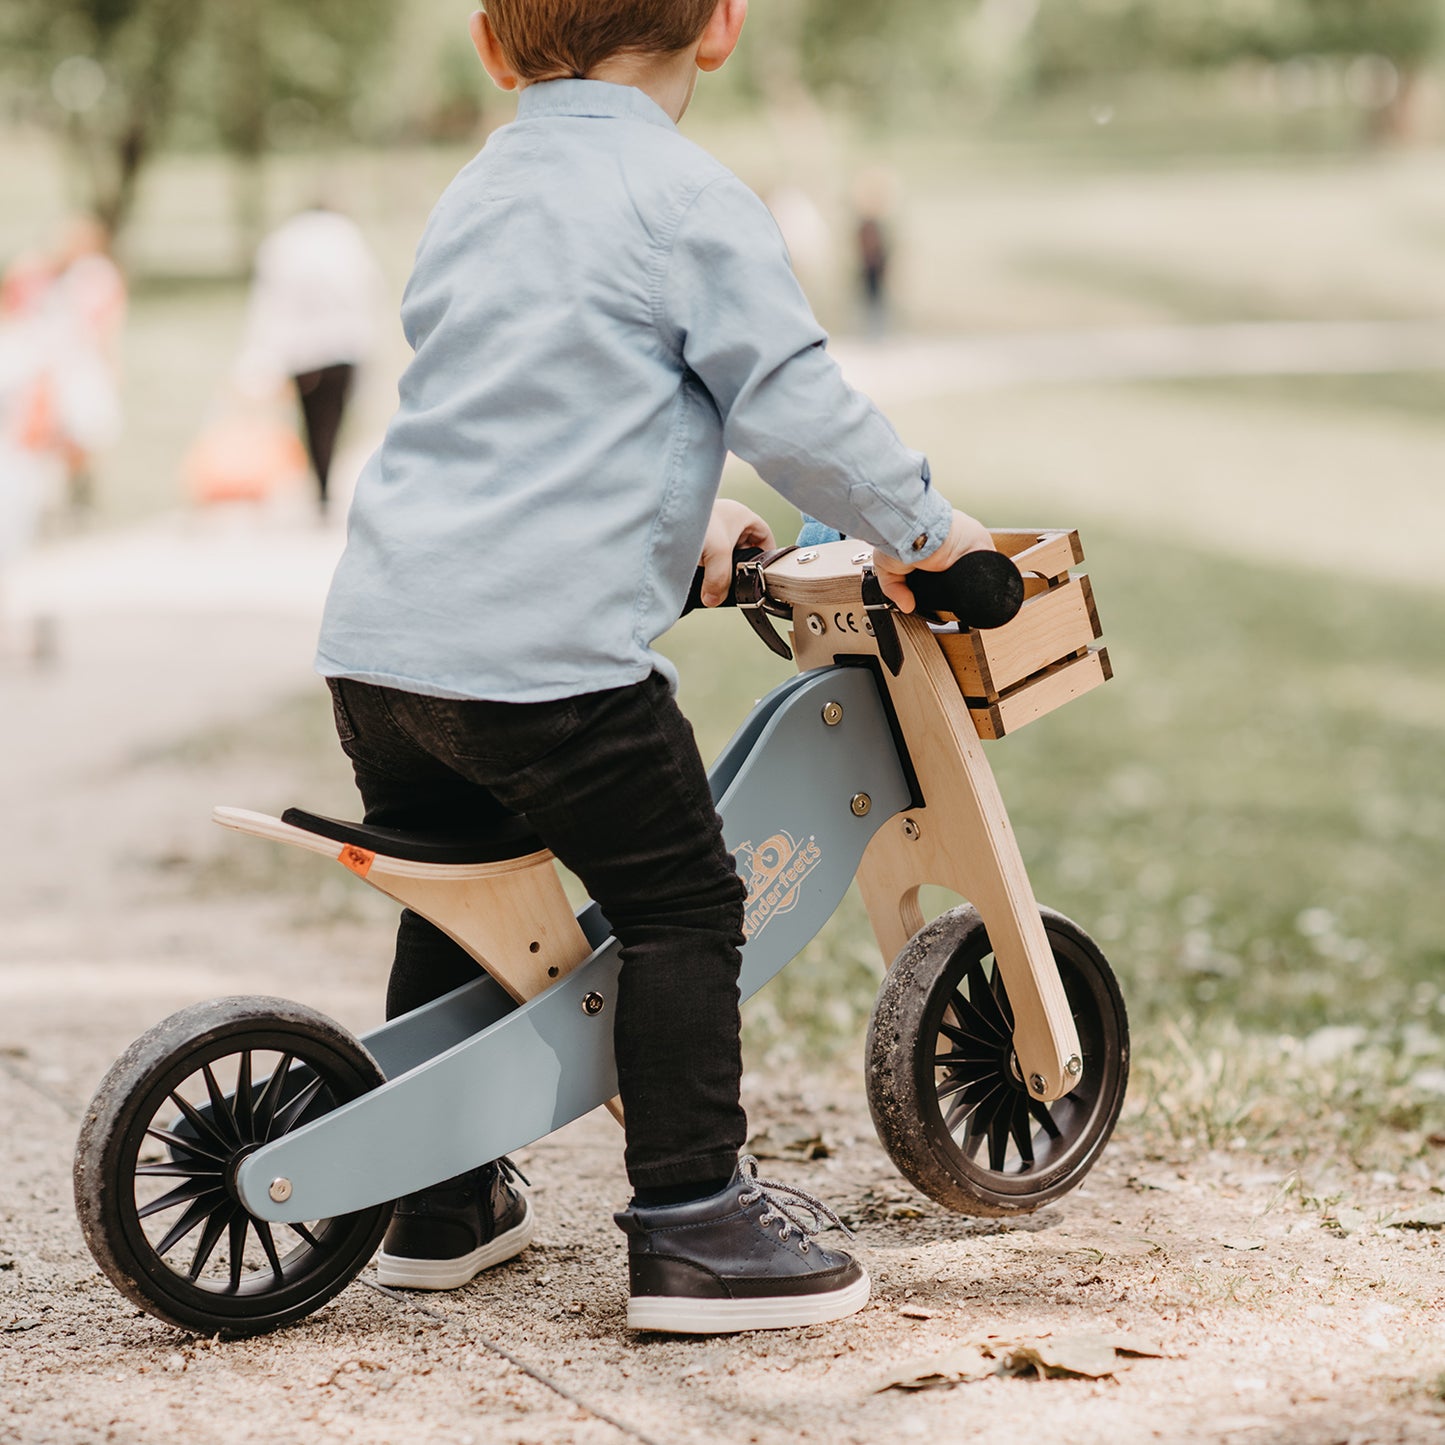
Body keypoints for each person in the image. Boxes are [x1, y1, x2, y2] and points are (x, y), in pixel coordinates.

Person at [315, 0, 994, 1335]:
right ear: (721, 27)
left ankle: (438, 1197)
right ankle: (692, 1222)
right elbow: (796, 409)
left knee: (466, 885)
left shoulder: (477, 189)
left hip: (385, 652)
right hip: (540, 669)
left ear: (492, 45)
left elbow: (532, 410)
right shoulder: (688, 197)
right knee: (684, 898)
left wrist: (687, 523)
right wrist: (929, 535)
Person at [233, 206, 384, 515]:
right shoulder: (348, 239)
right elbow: (369, 291)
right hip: (344, 345)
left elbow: (271, 302)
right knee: (334, 418)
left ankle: (321, 482)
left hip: (303, 351)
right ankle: (324, 482)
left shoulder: (284, 243)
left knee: (312, 419)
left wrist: (263, 353)